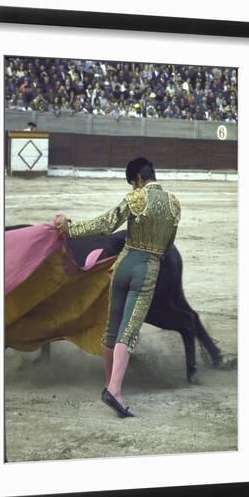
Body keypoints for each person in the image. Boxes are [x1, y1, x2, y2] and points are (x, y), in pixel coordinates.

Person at [54, 157, 181, 418]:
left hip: (123, 266)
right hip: (147, 268)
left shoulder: (136, 199)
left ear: (137, 178)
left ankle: (108, 384)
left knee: (112, 327)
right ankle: (115, 390)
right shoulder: (174, 205)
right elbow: (168, 246)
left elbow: (106, 224)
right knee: (129, 331)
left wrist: (70, 228)